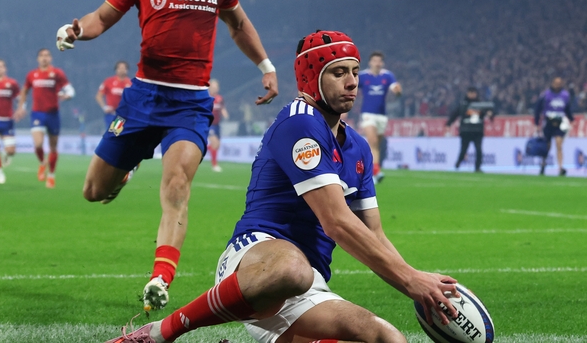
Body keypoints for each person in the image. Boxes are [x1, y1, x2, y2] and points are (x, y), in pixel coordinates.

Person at [105, 30, 458, 343]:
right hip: (256, 260)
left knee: (389, 337)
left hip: (308, 285)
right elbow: (336, 222)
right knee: (292, 269)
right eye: (338, 73)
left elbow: (375, 234)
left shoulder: (359, 147)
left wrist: (418, 287)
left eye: (354, 71)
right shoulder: (299, 124)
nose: (352, 82)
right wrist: (410, 280)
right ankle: (156, 334)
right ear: (310, 79)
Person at [55, 0, 278, 311]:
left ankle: (161, 277)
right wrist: (74, 30)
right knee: (93, 190)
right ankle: (125, 170)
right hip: (143, 98)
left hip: (191, 104)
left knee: (177, 184)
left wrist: (265, 64)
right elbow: (101, 18)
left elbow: (239, 24)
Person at [14, 48, 75, 189]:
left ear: (51, 58)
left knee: (53, 147)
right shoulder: (32, 75)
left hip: (53, 114)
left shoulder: (57, 73)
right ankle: (42, 163)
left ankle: (51, 176)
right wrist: (21, 107)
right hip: (37, 114)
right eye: (41, 55)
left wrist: (68, 95)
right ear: (37, 59)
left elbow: (70, 89)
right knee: (38, 144)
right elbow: (25, 91)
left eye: (47, 55)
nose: (44, 58)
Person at [358, 51, 401, 184]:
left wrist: (398, 91)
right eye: (375, 60)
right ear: (370, 62)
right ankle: (376, 172)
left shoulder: (387, 76)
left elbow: (396, 88)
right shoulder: (363, 76)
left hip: (382, 115)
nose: (377, 63)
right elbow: (350, 87)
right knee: (373, 141)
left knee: (378, 145)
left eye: (379, 61)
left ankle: (373, 171)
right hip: (367, 114)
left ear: (382, 63)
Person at [445, 86, 494, 173]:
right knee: (463, 150)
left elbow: (489, 113)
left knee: (479, 150)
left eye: (473, 93)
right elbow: (455, 114)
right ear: (467, 93)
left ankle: (477, 167)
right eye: (470, 93)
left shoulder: (481, 105)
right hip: (466, 130)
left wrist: (490, 115)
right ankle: (458, 163)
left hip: (477, 131)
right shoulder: (463, 104)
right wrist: (449, 123)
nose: (472, 95)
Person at [534, 77, 574, 176]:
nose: (557, 85)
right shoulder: (545, 95)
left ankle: (560, 168)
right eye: (556, 83)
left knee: (559, 144)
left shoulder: (565, 95)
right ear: (552, 83)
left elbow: (567, 109)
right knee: (547, 146)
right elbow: (537, 109)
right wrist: (536, 123)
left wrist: (571, 119)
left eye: (559, 83)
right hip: (548, 122)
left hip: (560, 123)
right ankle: (543, 164)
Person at [96, 61, 133, 132]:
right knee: (112, 134)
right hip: (111, 113)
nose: (122, 70)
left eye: (124, 68)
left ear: (127, 70)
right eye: (120, 68)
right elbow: (99, 96)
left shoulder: (131, 83)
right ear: (116, 69)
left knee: (115, 134)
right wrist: (104, 107)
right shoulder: (108, 81)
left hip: (123, 115)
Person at [207, 78, 229, 172]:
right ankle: (215, 165)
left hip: (217, 124)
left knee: (217, 145)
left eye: (216, 87)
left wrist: (225, 114)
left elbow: (222, 108)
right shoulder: (206, 98)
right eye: (213, 86)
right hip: (208, 124)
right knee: (215, 143)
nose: (215, 88)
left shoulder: (220, 98)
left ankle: (204, 149)